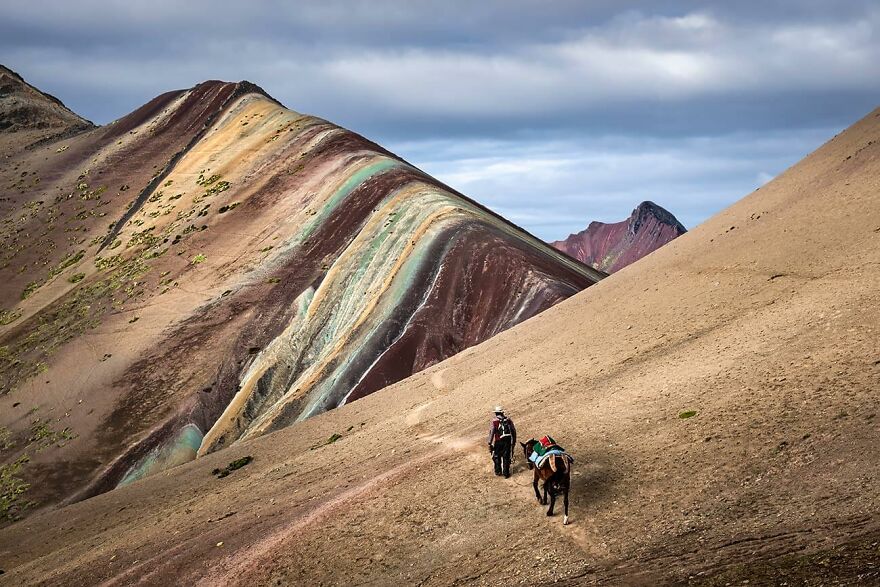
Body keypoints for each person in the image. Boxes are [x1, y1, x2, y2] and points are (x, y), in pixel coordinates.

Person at [488, 406, 516, 478]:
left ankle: (498, 471)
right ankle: (506, 473)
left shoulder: (494, 421)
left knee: (496, 456)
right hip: (508, 441)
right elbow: (513, 430)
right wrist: (513, 441)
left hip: (498, 441)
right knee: (506, 457)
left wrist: (489, 443)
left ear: (496, 413)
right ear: (502, 412)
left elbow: (492, 432)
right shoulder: (508, 420)